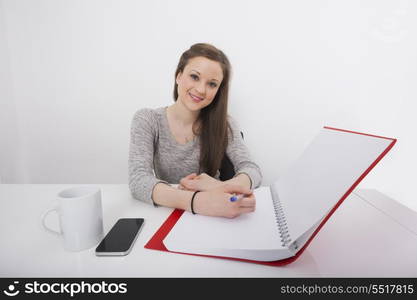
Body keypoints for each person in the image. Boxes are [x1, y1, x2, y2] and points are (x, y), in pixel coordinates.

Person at [128, 43, 262, 218]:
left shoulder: (225, 124)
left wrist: (220, 187)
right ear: (178, 76)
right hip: (170, 212)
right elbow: (138, 180)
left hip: (217, 212)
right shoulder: (147, 120)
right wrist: (197, 202)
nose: (201, 90)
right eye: (194, 77)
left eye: (212, 84)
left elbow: (252, 169)